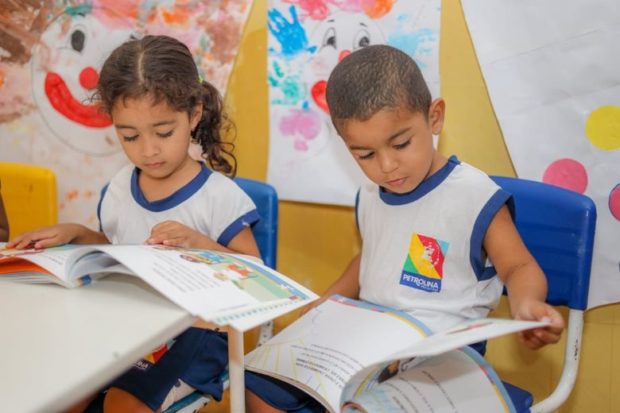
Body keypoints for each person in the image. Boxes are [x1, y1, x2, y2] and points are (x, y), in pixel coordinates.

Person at [244, 44, 565, 413]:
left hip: (445, 354)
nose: (386, 166)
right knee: (256, 385)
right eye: (365, 155)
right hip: (372, 338)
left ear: (434, 117)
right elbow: (373, 256)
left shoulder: (473, 195)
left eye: (400, 144)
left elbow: (518, 266)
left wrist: (527, 302)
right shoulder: (370, 193)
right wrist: (326, 301)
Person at [8, 35, 261, 413]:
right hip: (129, 320)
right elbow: (117, 249)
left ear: (194, 114)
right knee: (61, 391)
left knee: (122, 406)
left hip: (197, 332)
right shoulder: (119, 187)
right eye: (129, 136)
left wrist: (199, 243)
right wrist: (78, 235)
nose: (148, 150)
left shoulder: (219, 197)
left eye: (163, 133)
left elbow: (257, 275)